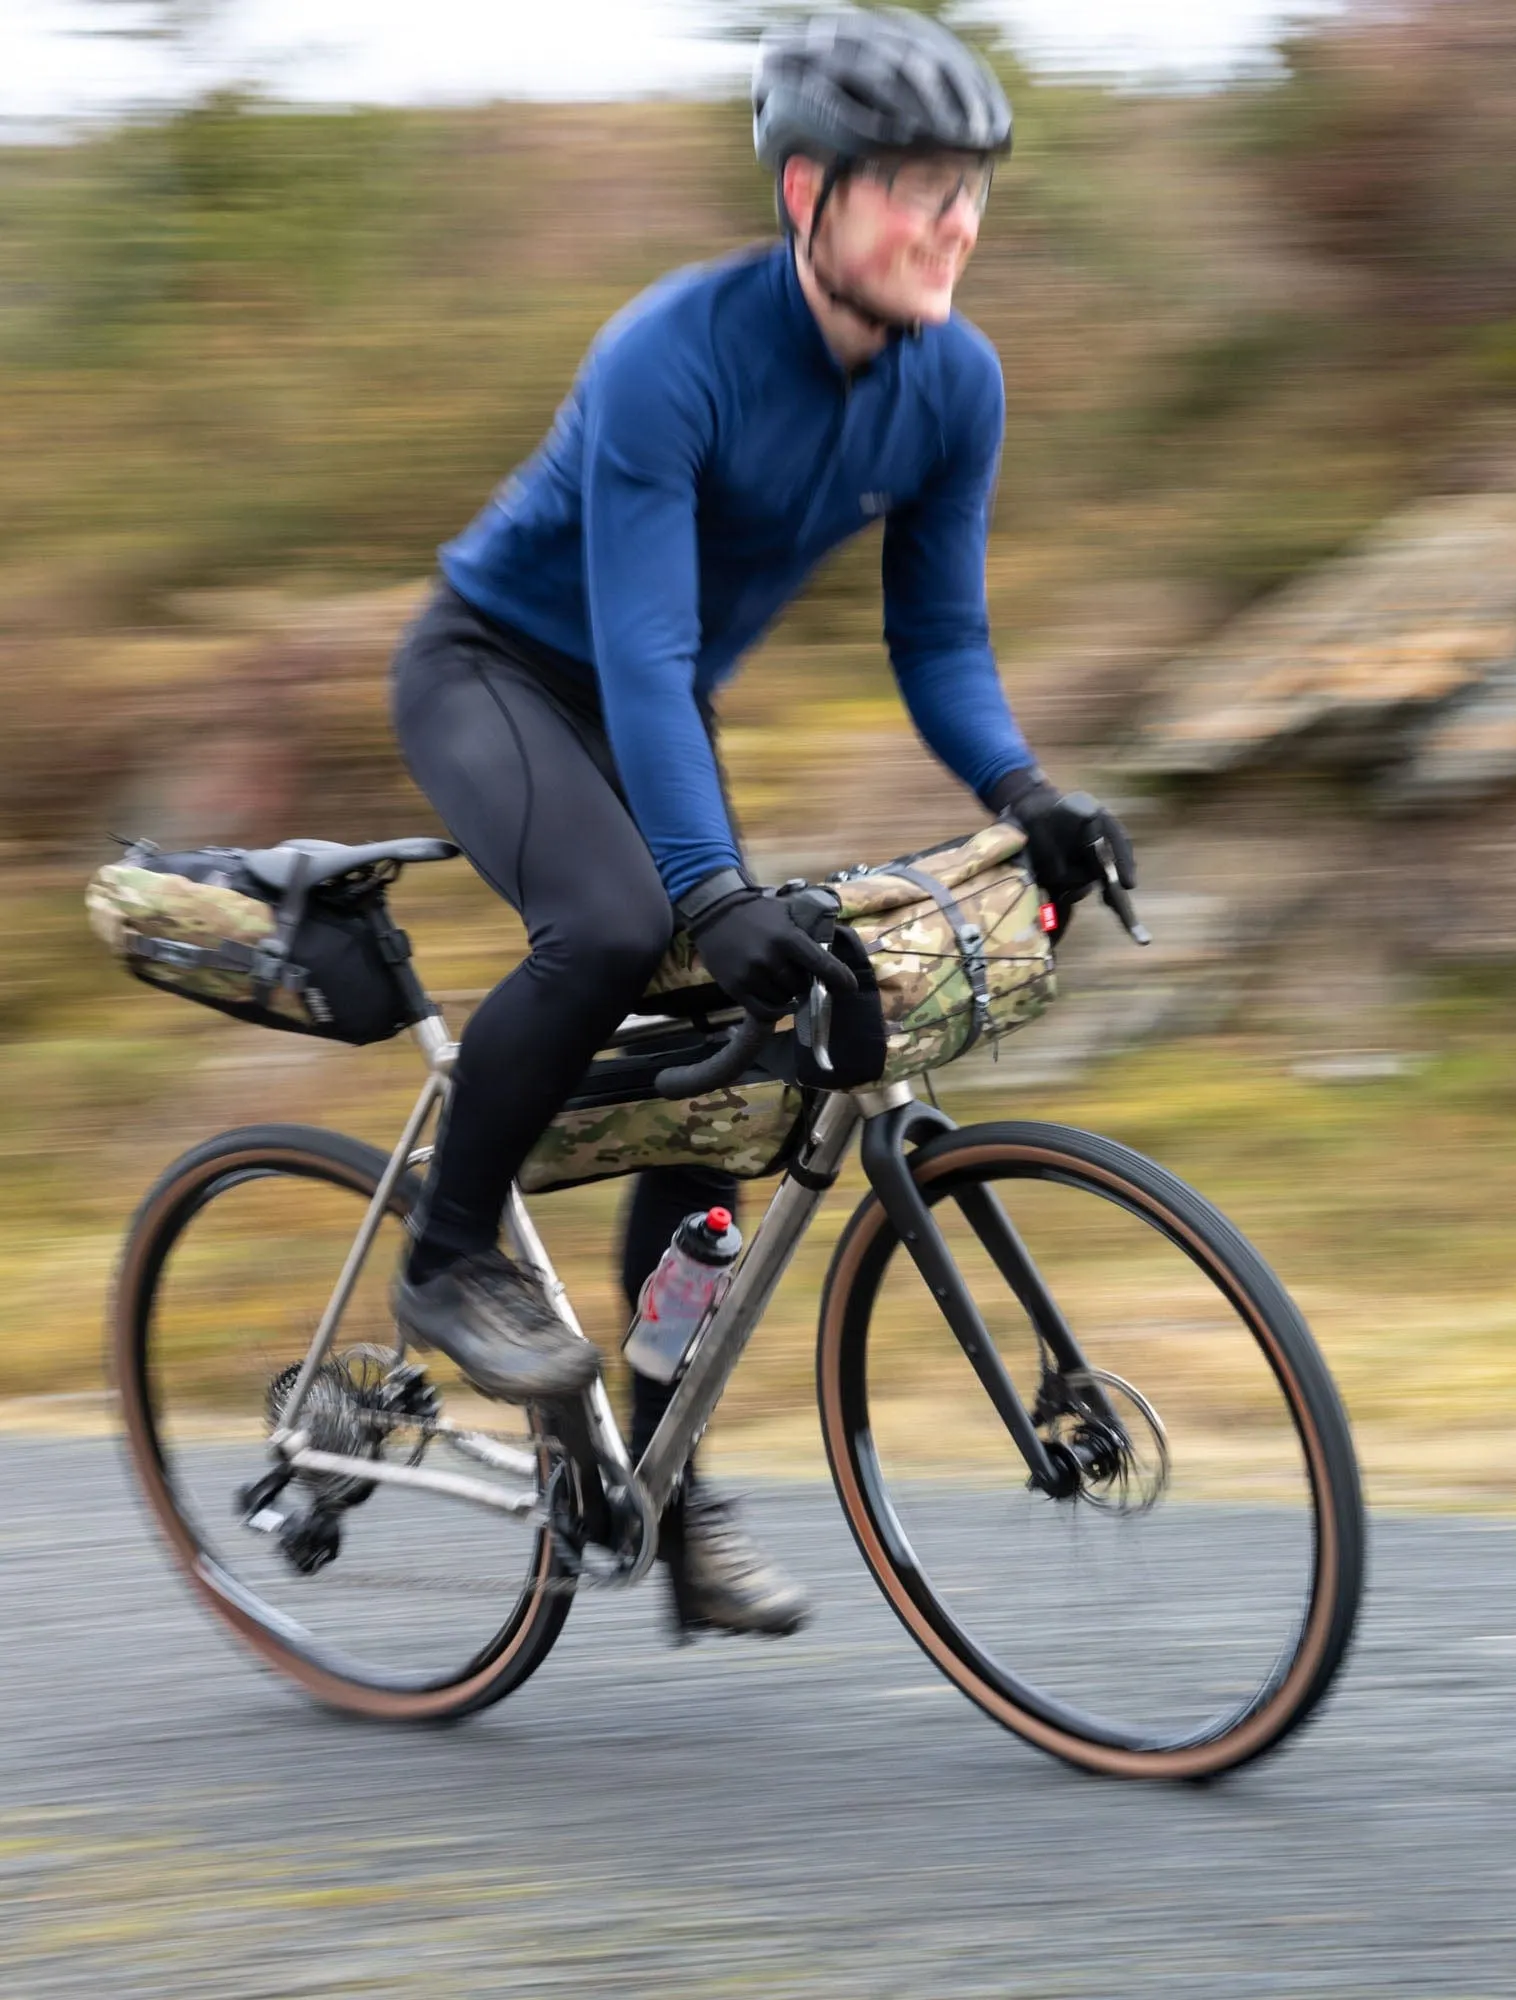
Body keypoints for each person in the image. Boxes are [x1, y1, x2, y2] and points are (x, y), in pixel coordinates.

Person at [386, 7, 1136, 1640]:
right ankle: (448, 1252)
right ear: (810, 191)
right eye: (916, 188)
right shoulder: (679, 352)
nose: (954, 225)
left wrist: (1028, 793)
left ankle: (660, 1480)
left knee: (743, 1068)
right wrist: (701, 884)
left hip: (652, 704)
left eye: (975, 191)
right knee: (609, 925)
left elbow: (937, 644)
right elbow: (644, 650)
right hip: (501, 673)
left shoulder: (955, 384)